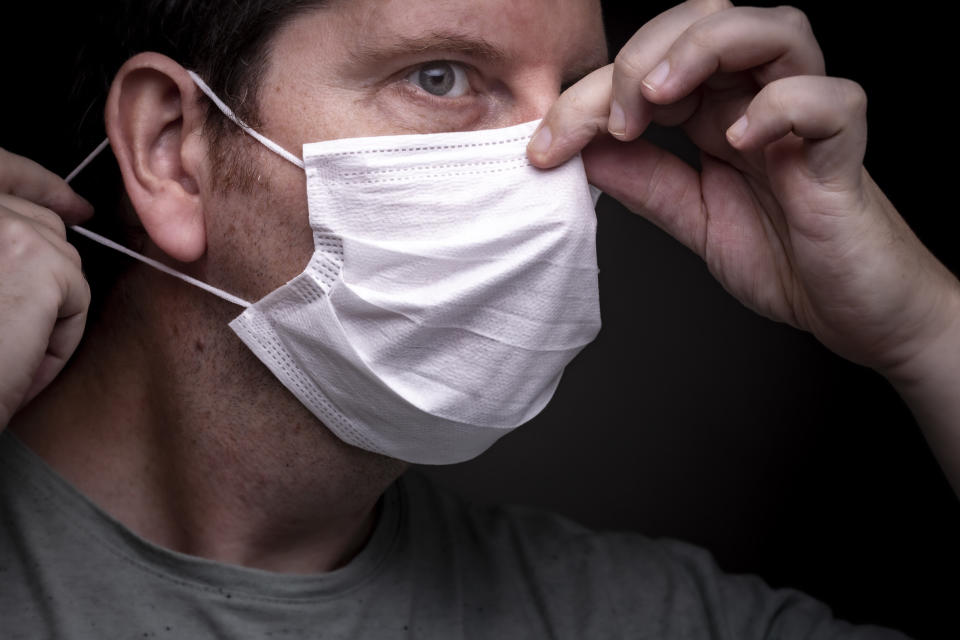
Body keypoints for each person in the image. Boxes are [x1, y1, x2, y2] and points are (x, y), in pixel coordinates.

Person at [0, 0, 954, 637]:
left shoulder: (632, 618)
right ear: (172, 148)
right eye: (444, 78)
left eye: (582, 95)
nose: (553, 176)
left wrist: (924, 331)